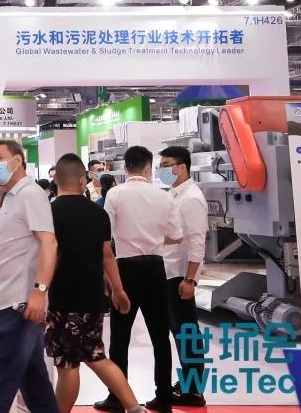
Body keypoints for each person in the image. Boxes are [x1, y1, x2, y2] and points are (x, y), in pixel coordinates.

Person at [47, 154, 144, 413]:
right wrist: (118, 290)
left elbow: (46, 255)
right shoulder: (98, 213)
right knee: (95, 355)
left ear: (56, 180)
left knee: (68, 365)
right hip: (93, 296)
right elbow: (107, 256)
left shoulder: (49, 213)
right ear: (83, 180)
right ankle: (134, 408)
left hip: (63, 297)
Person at [96, 146, 183, 413]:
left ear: (125, 168)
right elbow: (177, 236)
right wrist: (154, 237)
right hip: (155, 267)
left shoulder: (114, 194)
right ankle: (164, 397)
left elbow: (105, 236)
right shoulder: (164, 196)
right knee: (160, 336)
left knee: (120, 336)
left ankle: (116, 398)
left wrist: (107, 276)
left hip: (125, 268)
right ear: (148, 168)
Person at [0, 139, 58, 413]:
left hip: (19, 302)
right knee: (34, 383)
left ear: (17, 160)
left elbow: (49, 244)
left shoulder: (30, 194)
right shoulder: (11, 196)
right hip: (7, 299)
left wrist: (39, 290)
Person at [158, 146, 209, 407]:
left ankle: (194, 391)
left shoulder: (191, 198)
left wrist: (190, 280)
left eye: (166, 165)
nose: (162, 170)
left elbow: (197, 242)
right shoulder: (174, 194)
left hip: (180, 275)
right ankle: (189, 384)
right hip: (170, 272)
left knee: (187, 331)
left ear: (182, 167)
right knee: (179, 330)